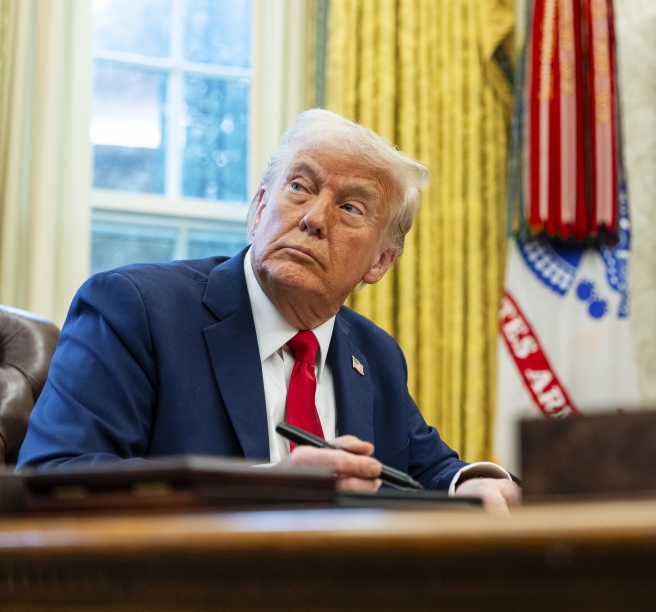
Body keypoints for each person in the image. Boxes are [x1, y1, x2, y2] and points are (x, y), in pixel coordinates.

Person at [18, 109, 520, 514]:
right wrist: (263, 489)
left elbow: (426, 469)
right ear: (259, 210)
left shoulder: (374, 354)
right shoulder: (136, 309)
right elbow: (54, 475)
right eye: (299, 187)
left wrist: (470, 484)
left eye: (350, 208)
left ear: (381, 261)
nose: (313, 218)